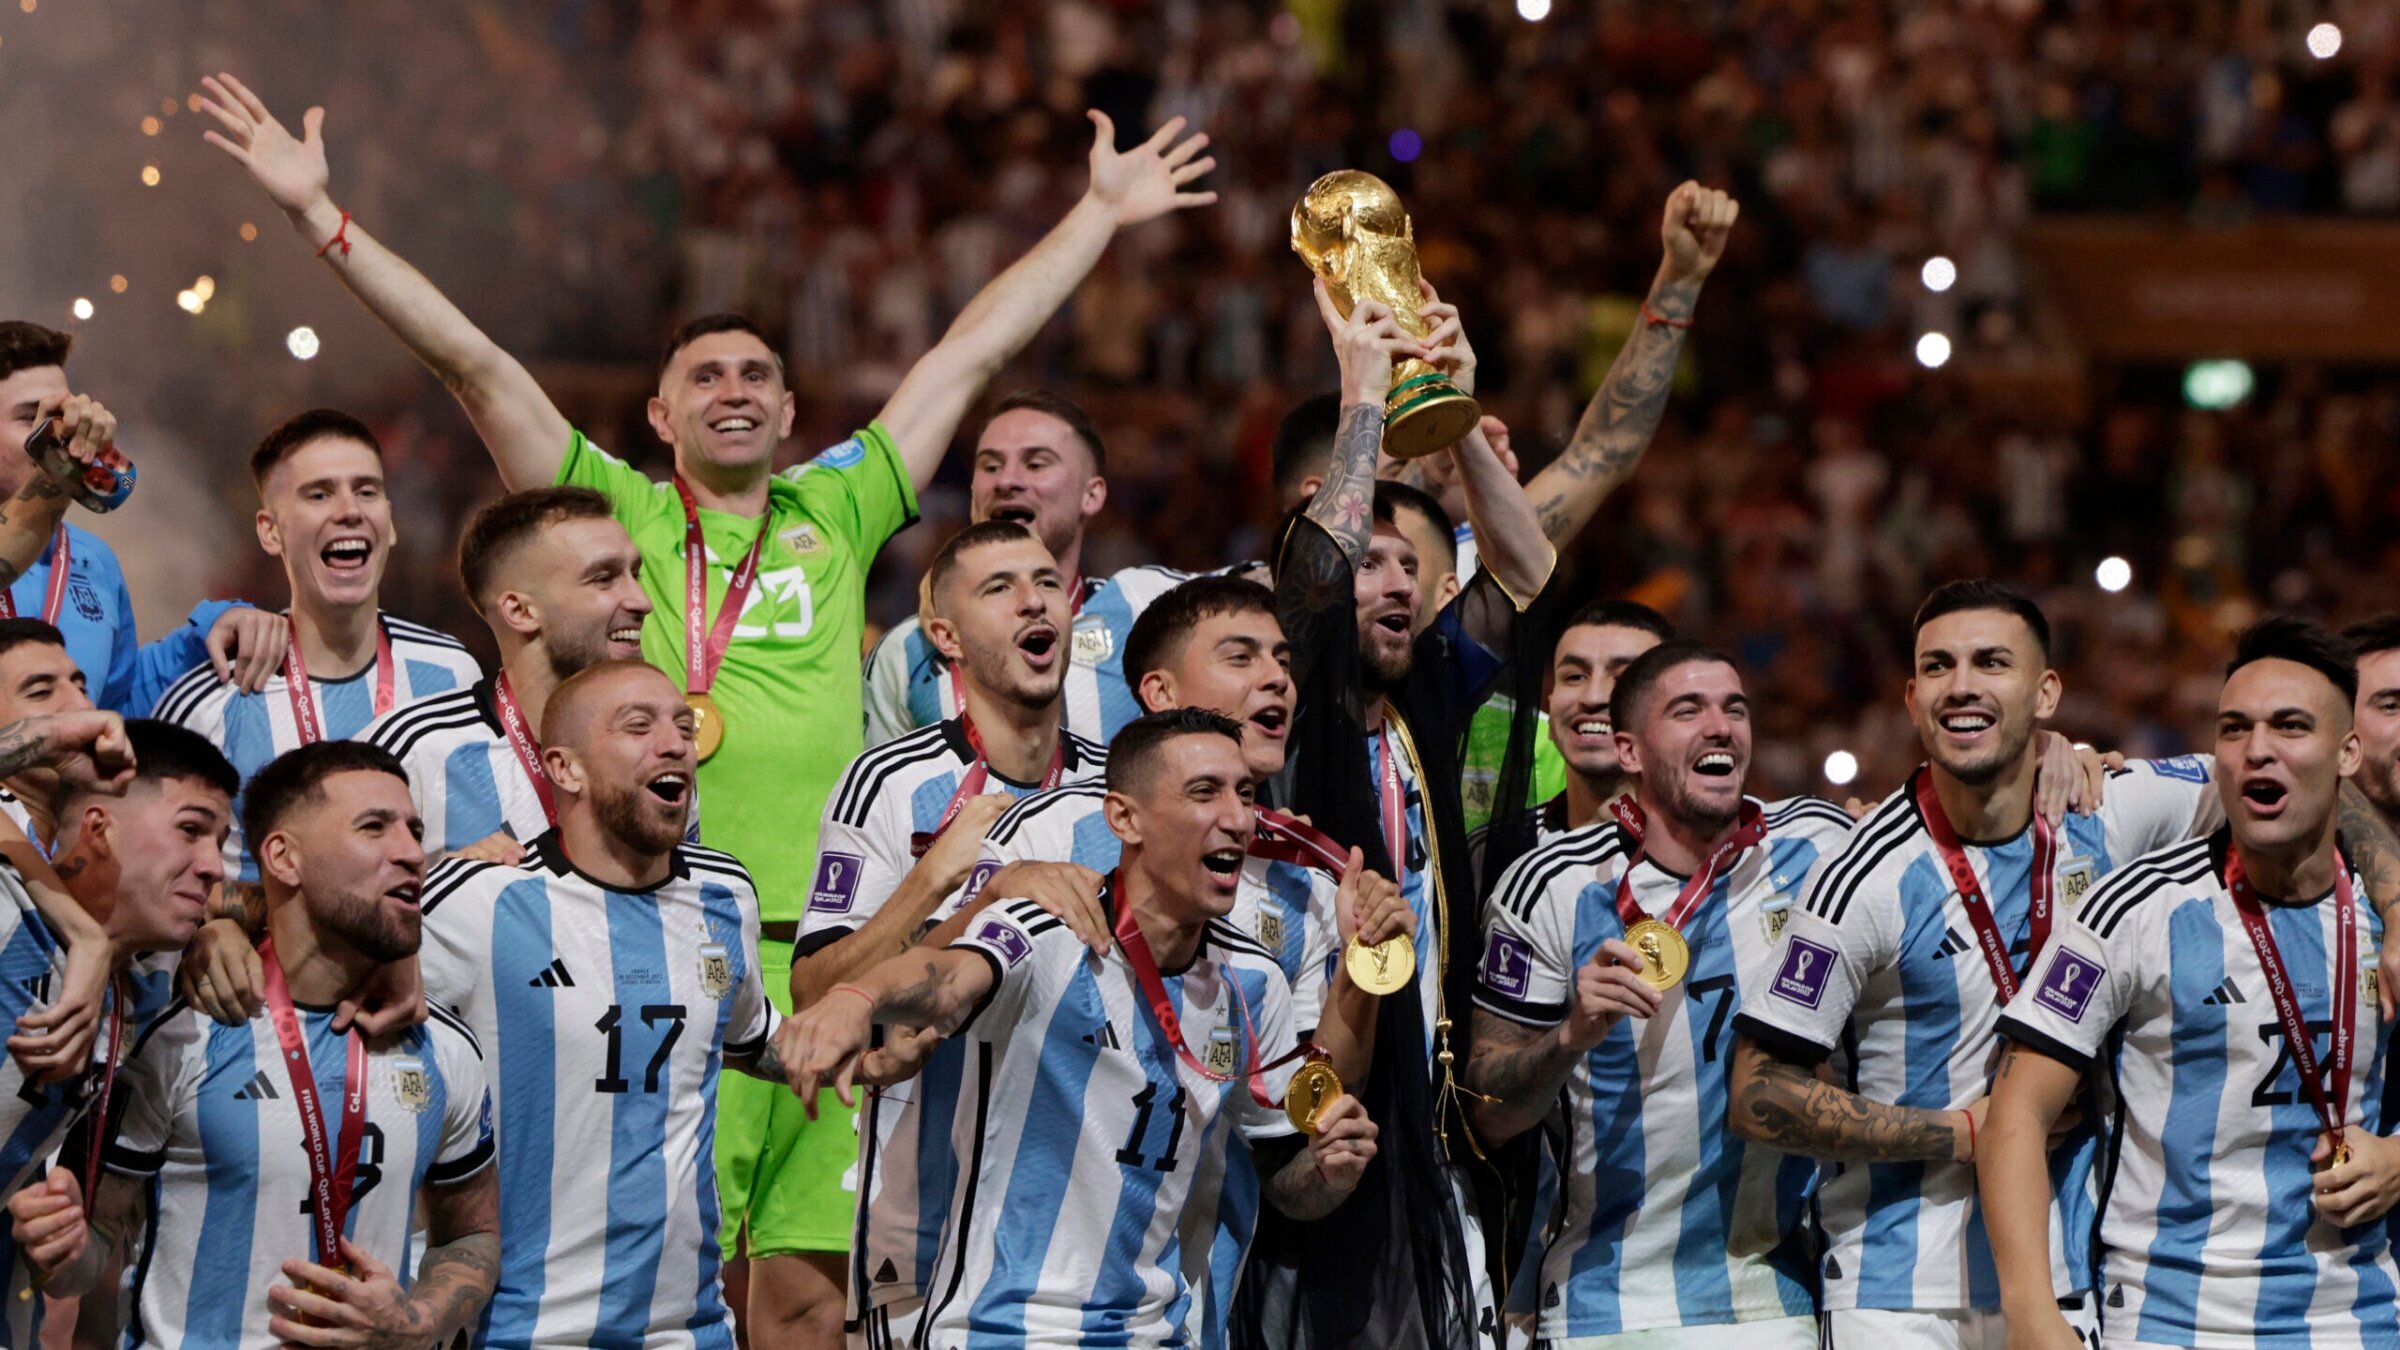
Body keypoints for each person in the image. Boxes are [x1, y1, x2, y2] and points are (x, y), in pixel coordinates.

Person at [197, 71, 1216, 1334]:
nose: (734, 387)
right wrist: (319, 217)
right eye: (705, 375)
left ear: (792, 413)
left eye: (758, 374)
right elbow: (470, 361)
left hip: (833, 952)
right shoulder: (612, 510)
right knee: (628, 1286)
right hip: (660, 952)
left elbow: (973, 349)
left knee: (803, 1313)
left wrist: (1097, 215)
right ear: (657, 414)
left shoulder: (836, 508)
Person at [1726, 581, 2233, 1346]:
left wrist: (2393, 914)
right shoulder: (1862, 878)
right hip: (1898, 1295)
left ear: (2046, 692)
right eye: (1939, 667)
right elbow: (1758, 1093)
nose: (1961, 685)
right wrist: (1960, 1132)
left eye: (1992, 663)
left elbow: (2306, 774)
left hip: (2077, 1277)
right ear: (1910, 697)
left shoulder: (2113, 812)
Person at [774, 709, 1380, 1344]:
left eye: (1245, 794)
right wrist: (859, 995)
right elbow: (944, 979)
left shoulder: (1254, 982)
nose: (1237, 817)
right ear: (1124, 818)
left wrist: (1328, 1170)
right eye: (1204, 792)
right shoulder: (1049, 932)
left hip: (1156, 1332)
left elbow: (1285, 1169)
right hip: (1004, 1329)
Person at [960, 575, 1412, 1348]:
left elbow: (1302, 1097)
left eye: (1281, 659)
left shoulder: (1311, 883)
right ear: (1160, 692)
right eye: (1240, 657)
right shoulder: (1049, 830)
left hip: (1182, 1314)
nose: (1277, 677)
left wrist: (1359, 970)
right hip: (1005, 1308)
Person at [1256, 279, 1557, 1349]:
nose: (1390, 579)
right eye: (1370, 557)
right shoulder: (1282, 701)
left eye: (1409, 565)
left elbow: (1523, 570)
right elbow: (1315, 578)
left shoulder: (1425, 692)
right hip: (1309, 1097)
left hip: (1430, 1123)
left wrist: (1458, 412)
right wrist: (1363, 400)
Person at [1981, 618, 2400, 1349]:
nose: (2256, 749)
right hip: (2171, 1319)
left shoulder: (2383, 916)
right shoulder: (2131, 909)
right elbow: (2015, 1113)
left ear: (2346, 753)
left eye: (2290, 726)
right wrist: (2030, 1313)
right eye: (2234, 729)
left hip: (2356, 1319)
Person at [9, 740, 500, 1349]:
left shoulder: (443, 1044)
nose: (410, 852)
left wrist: (415, 1323)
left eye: (413, 829)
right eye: (374, 828)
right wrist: (64, 1250)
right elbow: (94, 1246)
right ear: (283, 857)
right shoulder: (179, 1032)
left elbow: (470, 1237)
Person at [1468, 641, 1855, 1348]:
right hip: (1605, 1305)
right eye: (1689, 710)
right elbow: (1486, 1114)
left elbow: (1945, 831)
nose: (1720, 726)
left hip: (1781, 1300)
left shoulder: (1818, 845)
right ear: (1630, 750)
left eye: (1734, 709)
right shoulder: (1551, 885)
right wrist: (1569, 1037)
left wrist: (2055, 757)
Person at [413, 659, 794, 1348]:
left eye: (683, 724)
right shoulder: (476, 901)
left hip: (690, 1330)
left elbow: (753, 1037)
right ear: (566, 769)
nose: (676, 742)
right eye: (638, 726)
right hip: (523, 1330)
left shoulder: (725, 894)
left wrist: (867, 1029)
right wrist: (222, 937)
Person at [792, 519, 1104, 1347]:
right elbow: (816, 995)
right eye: (998, 588)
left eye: (1044, 582)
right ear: (945, 637)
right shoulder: (889, 784)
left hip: (1076, 1239)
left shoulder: (1123, 799)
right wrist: (935, 878)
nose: (1033, 599)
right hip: (921, 1224)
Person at [154, 408, 481, 881]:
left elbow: (484, 849)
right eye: (319, 493)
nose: (349, 510)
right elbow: (165, 880)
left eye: (367, 491)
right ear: (270, 530)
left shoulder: (454, 676)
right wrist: (216, 930)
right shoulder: (211, 702)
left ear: (389, 521)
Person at [863, 389, 1211, 746]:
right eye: (990, 466)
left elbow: (1261, 597)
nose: (1006, 481)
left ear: (1091, 495)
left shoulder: (1148, 608)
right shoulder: (905, 651)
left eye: (1036, 464)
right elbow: (879, 795)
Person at [0, 322, 287, 717]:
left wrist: (207, 632)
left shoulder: (92, 559)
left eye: (62, 416)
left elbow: (119, 698)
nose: (54, 431)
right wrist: (59, 461)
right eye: (30, 417)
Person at [364, 487, 651, 861]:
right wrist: (443, 893)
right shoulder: (414, 754)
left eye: (635, 574)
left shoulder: (659, 749)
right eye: (603, 578)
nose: (641, 601)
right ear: (520, 611)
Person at [1529, 600, 1677, 840]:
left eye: (1623, 678)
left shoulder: (1733, 847)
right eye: (1575, 677)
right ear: (1551, 703)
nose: (1593, 697)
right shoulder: (1499, 851)